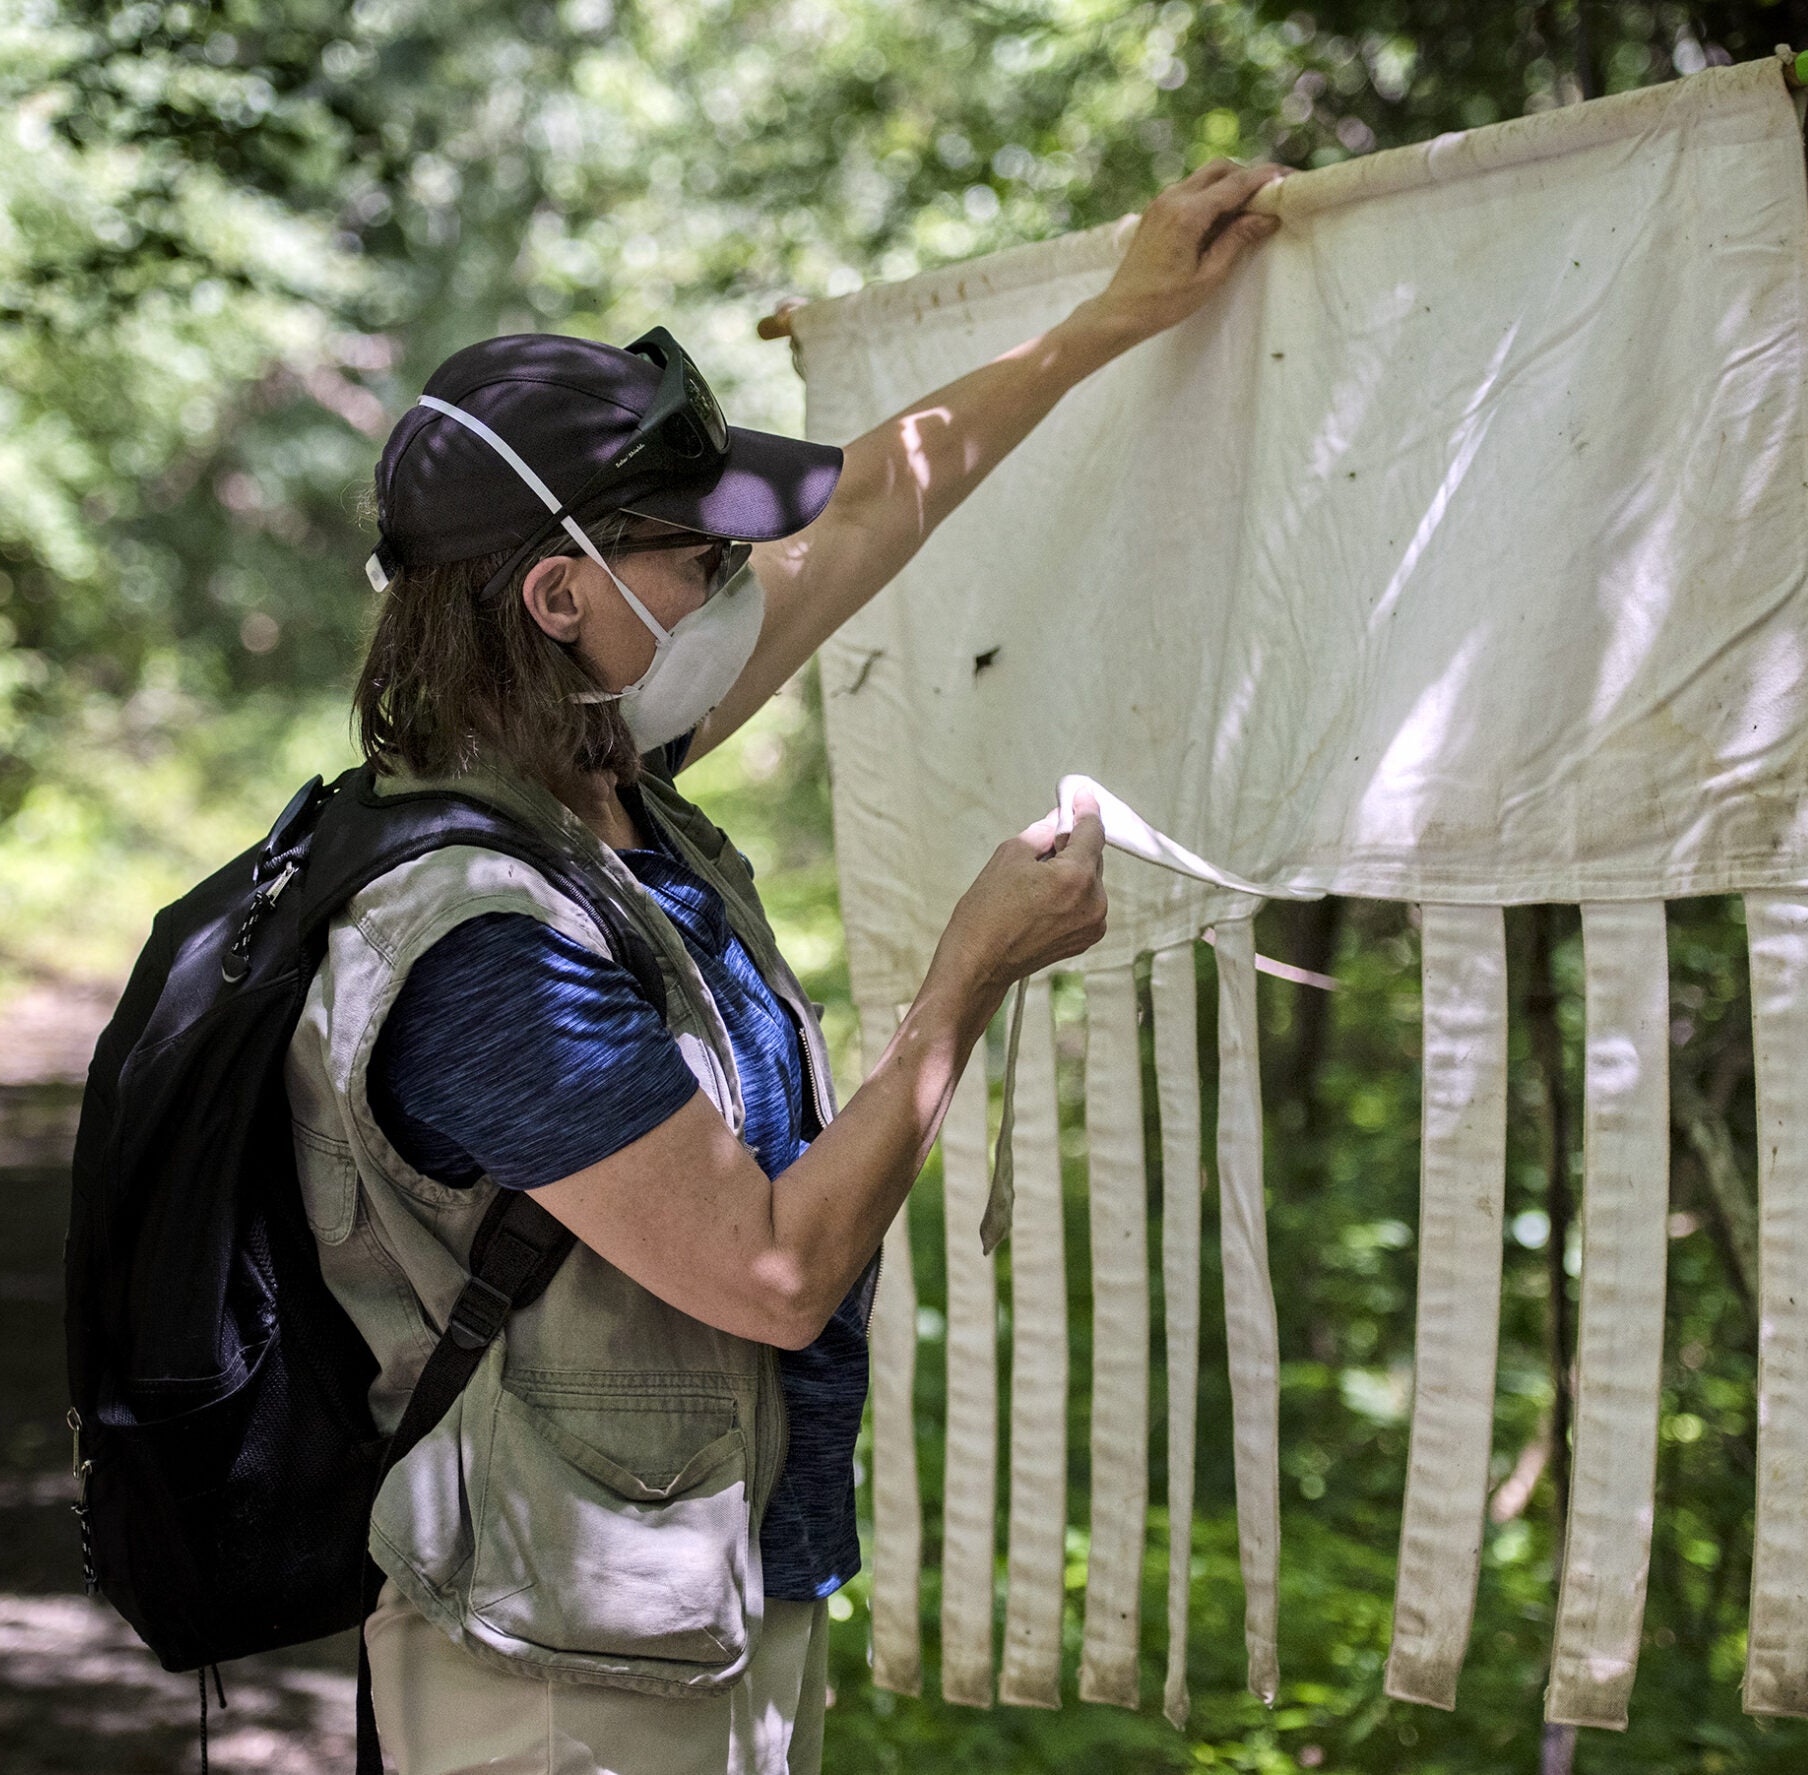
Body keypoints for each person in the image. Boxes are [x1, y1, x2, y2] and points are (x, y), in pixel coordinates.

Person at [286, 157, 1286, 1775]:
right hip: (559, 1688)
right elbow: (769, 1270)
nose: (732, 587)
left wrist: (1118, 317)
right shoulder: (482, 943)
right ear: (563, 595)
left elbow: (881, 502)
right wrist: (964, 984)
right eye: (697, 557)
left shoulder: (600, 780)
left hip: (694, 1616)